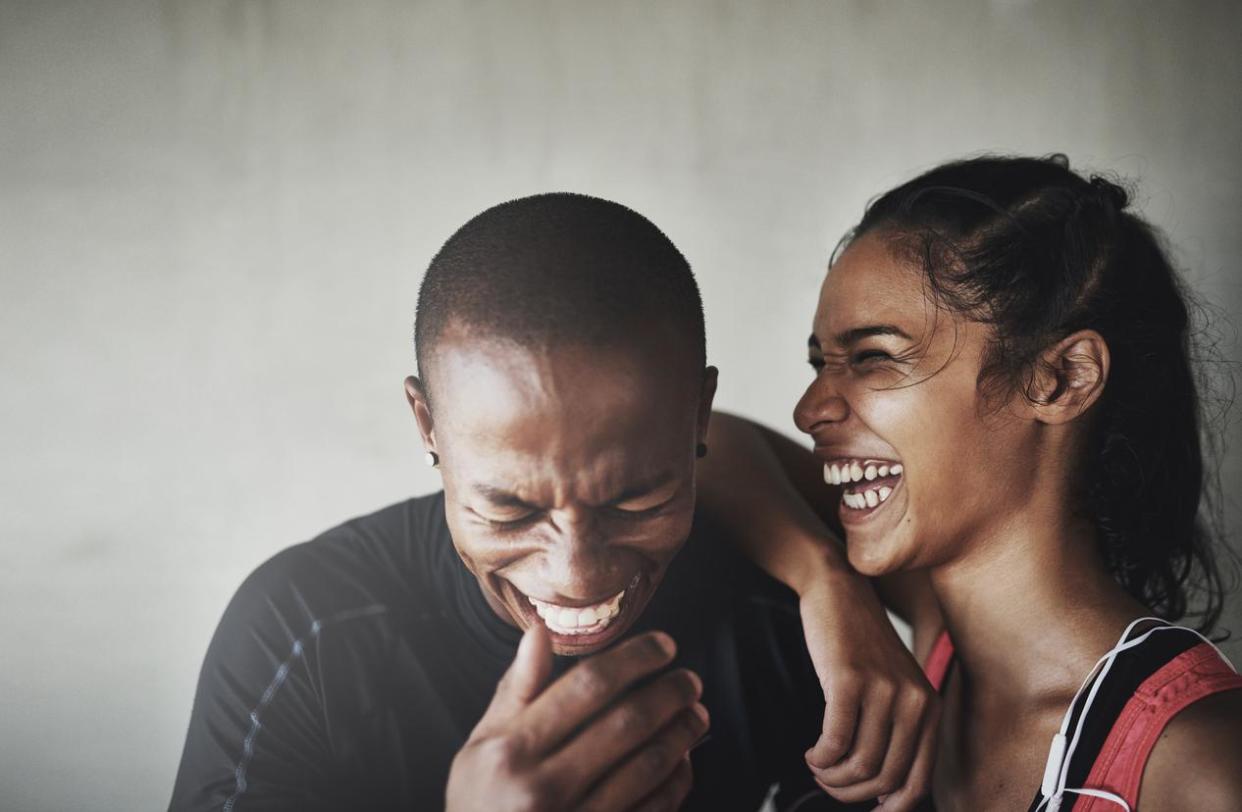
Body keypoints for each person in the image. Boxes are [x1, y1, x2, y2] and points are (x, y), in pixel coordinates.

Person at [168, 193, 937, 811]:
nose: (576, 575)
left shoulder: (784, 622)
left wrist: (827, 579)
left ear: (697, 417)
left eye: (636, 501)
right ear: (428, 426)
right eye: (510, 511)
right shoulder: (302, 636)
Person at [717, 155, 1242, 810]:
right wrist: (826, 583)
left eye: (874, 357)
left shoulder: (1196, 764)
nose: (809, 409)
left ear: (1061, 378)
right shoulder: (943, 647)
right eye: (822, 362)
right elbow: (698, 443)